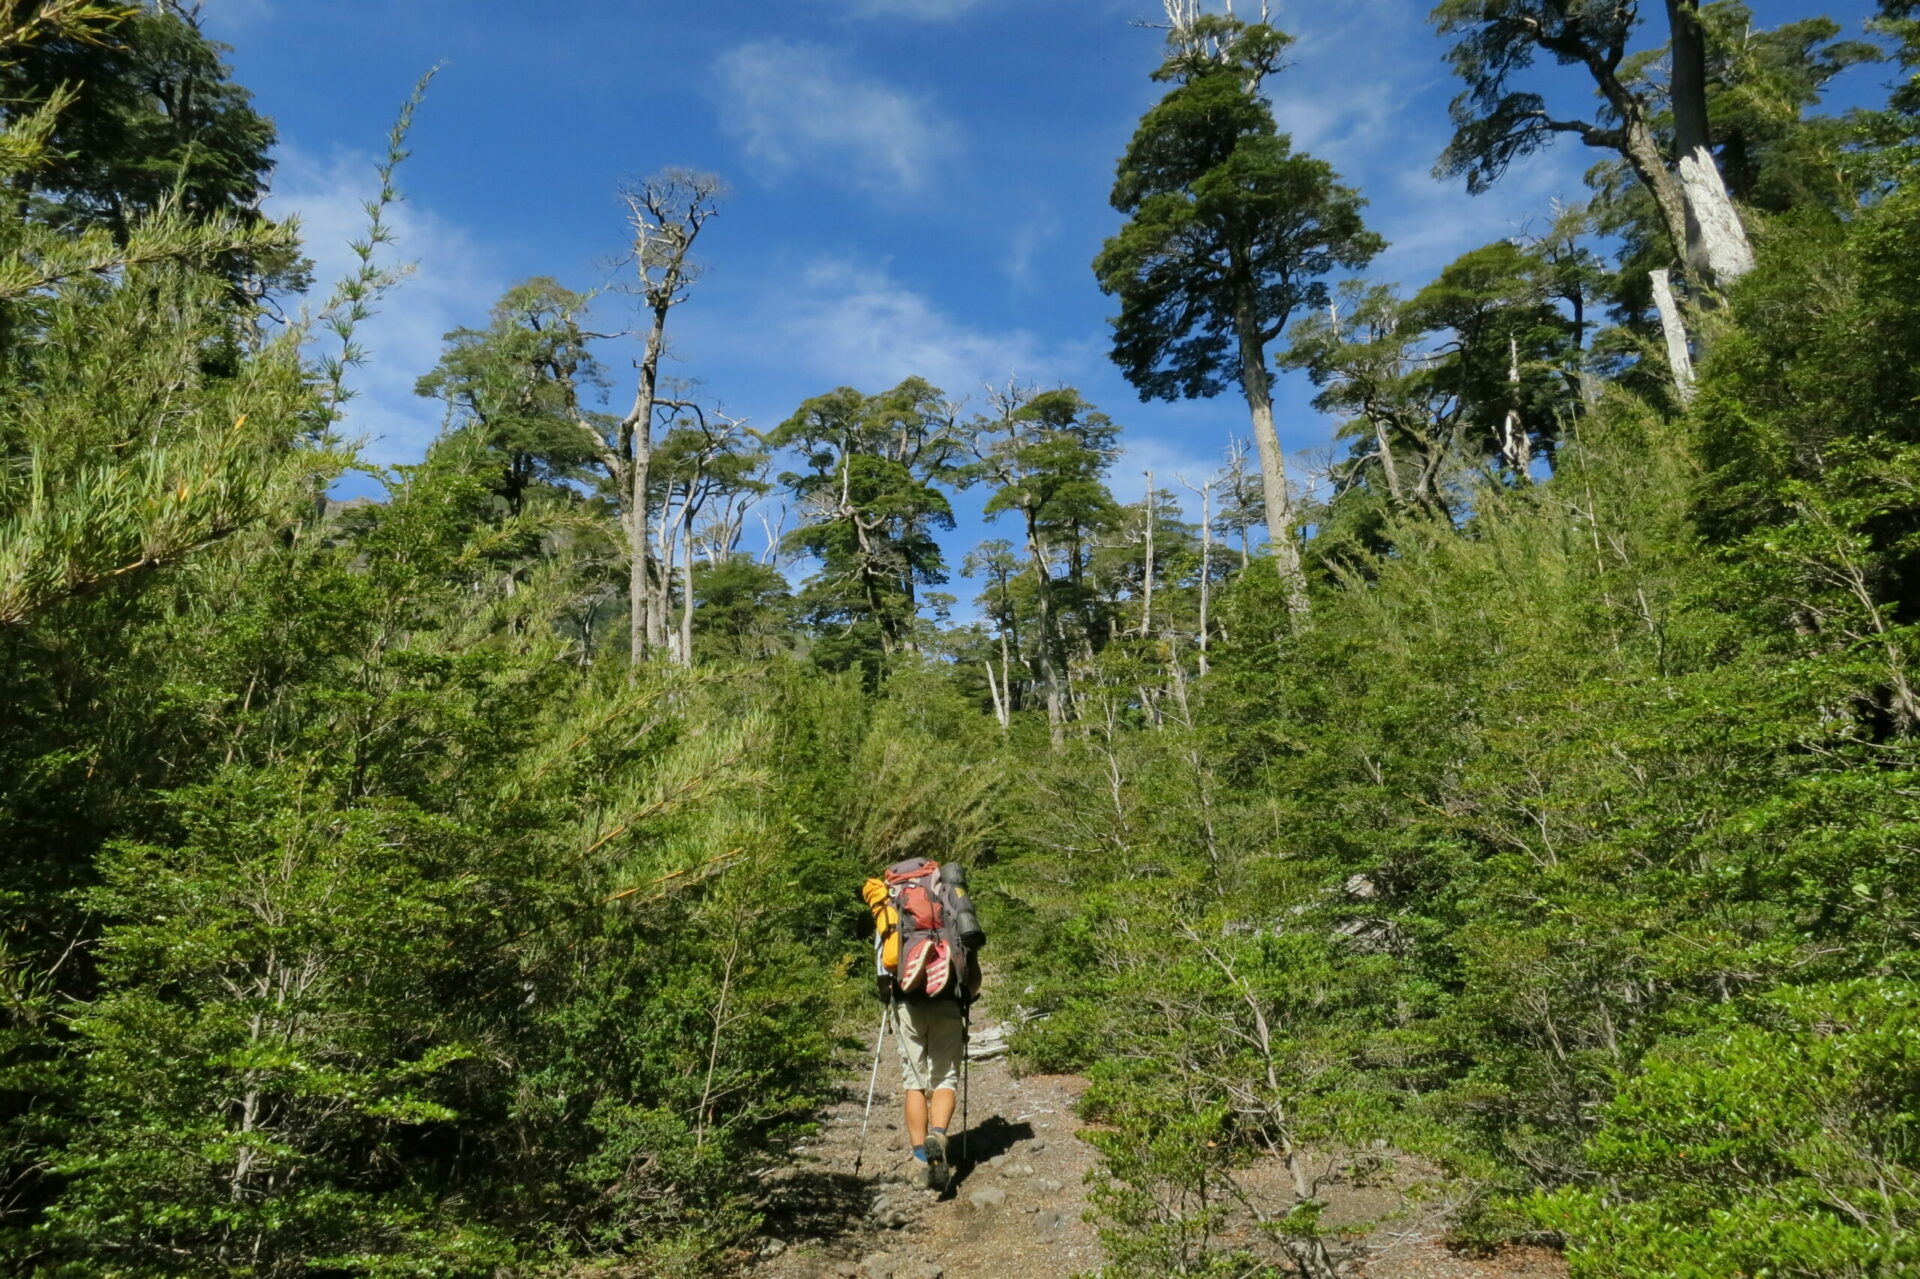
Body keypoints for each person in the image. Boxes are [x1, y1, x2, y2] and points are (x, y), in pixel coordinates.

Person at [862, 858, 984, 1191]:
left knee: (913, 1080)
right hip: (947, 998)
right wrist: (967, 997)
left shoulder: (890, 900)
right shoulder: (949, 896)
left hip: (907, 1001)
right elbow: (970, 962)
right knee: (945, 1077)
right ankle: (939, 1136)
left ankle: (920, 1157)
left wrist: (888, 997)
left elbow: (883, 965)